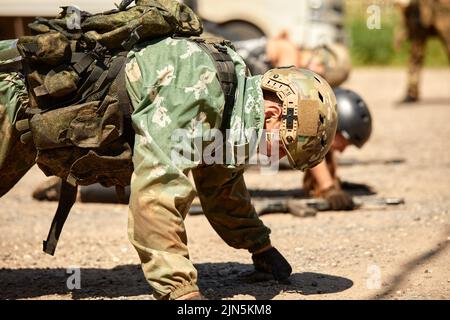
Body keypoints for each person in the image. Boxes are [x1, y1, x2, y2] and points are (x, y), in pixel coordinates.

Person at [0, 34, 338, 299]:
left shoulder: (230, 99)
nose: (272, 160)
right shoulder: (200, 88)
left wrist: (259, 247)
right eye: (281, 149)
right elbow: (157, 192)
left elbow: (220, 184)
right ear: (273, 115)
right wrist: (181, 291)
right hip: (13, 98)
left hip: (28, 116)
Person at [303, 88, 372, 210]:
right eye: (345, 143)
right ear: (335, 126)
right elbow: (309, 144)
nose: (342, 151)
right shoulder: (305, 106)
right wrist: (328, 187)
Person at [395, 0, 450, 103]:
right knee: (416, 51)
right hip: (419, 11)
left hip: (443, 9)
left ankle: (412, 90)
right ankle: (412, 91)